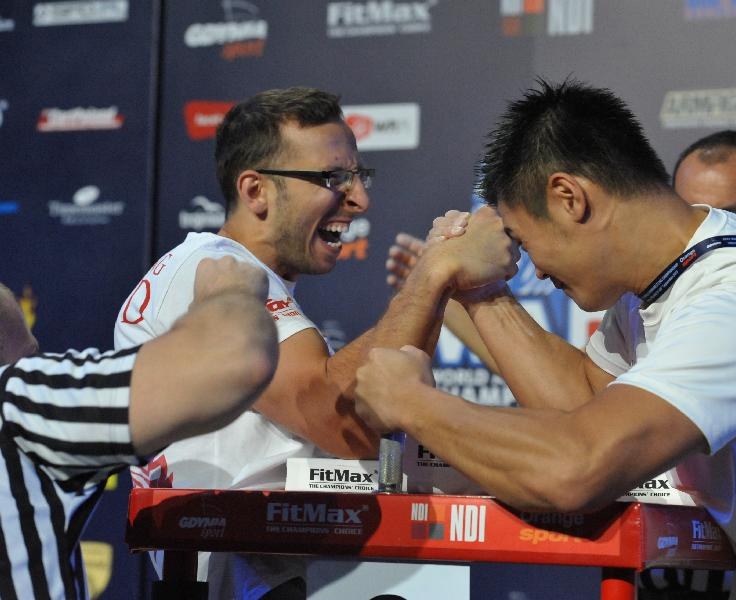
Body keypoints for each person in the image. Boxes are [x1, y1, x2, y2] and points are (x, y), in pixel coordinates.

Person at [354, 79, 736, 599]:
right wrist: (482, 290)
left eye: (526, 240)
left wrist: (410, 402)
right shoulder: (679, 266)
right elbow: (582, 406)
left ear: (570, 198)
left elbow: (576, 469)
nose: (535, 269)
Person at [114, 86, 516, 598]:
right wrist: (436, 270)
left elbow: (369, 433)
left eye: (360, 176)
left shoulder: (221, 272)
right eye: (333, 178)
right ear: (256, 191)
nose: (360, 199)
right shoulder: (217, 272)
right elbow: (342, 419)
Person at [384, 129, 736, 375]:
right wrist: (474, 290)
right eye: (691, 208)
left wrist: (415, 406)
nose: (704, 224)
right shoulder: (642, 295)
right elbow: (575, 402)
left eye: (725, 215)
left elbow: (586, 455)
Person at [0, 257, 278, 599]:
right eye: (29, 359)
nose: (36, 367)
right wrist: (230, 294)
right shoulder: (14, 402)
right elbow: (233, 362)